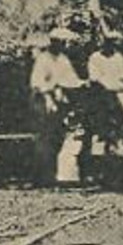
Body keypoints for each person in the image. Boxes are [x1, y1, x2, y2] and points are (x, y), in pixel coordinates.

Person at [31, 26, 85, 185]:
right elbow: (38, 83)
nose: (61, 45)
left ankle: (52, 174)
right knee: (45, 137)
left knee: (57, 137)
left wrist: (82, 83)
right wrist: (49, 98)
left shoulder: (62, 59)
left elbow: (70, 79)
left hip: (60, 99)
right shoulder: (43, 59)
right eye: (59, 42)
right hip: (44, 100)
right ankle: (42, 176)